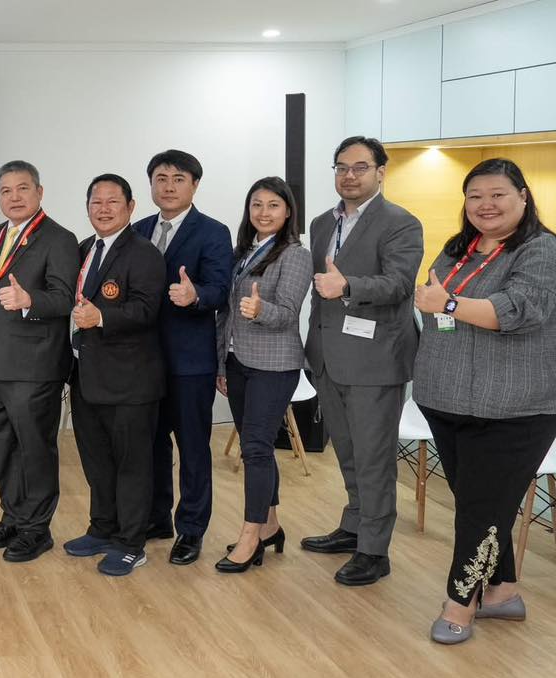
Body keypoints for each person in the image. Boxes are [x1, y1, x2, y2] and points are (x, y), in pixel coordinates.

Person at [412, 158, 556, 643]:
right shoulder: (460, 249)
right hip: (447, 399)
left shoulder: (541, 250)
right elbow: (435, 307)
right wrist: (439, 305)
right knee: (484, 506)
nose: (485, 205)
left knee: (479, 511)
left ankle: (460, 604)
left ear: (522, 197)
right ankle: (503, 593)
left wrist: (449, 304)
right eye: (475, 196)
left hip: (514, 407)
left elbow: (519, 309)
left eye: (497, 194)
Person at [299, 136, 423, 586]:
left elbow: (399, 284)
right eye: (341, 167)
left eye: (360, 167)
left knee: (374, 458)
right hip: (328, 357)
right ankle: (354, 525)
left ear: (380, 172)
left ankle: (374, 550)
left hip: (375, 360)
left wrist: (348, 285)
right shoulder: (321, 223)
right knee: (349, 451)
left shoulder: (400, 223)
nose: (349, 175)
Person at [0, 160, 80, 563]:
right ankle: (14, 516)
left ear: (39, 192)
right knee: (2, 446)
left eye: (22, 189)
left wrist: (29, 299)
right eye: (6, 191)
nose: (14, 197)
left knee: (34, 449)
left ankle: (37, 529)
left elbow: (64, 299)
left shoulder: (59, 238)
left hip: (34, 366)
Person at [61, 174, 166, 577]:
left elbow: (147, 309)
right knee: (97, 461)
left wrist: (101, 317)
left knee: (131, 465)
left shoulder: (143, 253)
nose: (103, 209)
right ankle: (102, 528)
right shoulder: (86, 248)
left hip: (130, 381)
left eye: (112, 202)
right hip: (87, 377)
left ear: (130, 207)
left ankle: (130, 543)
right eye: (96, 202)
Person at [132, 150, 233, 565]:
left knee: (192, 448)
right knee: (151, 444)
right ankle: (157, 518)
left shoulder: (213, 232)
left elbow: (221, 289)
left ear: (194, 185)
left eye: (178, 179)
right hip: (142, 360)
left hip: (190, 362)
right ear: (151, 185)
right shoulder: (138, 230)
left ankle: (191, 528)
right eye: (161, 178)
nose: (169, 186)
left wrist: (195, 296)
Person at [211, 177, 312, 574]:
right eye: (257, 204)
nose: (264, 212)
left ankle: (250, 535)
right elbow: (226, 313)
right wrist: (222, 364)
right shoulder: (243, 252)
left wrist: (260, 310)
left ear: (287, 211)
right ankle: (270, 526)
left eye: (273, 205)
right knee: (259, 448)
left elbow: (287, 313)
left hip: (275, 365)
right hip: (238, 362)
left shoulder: (296, 255)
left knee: (254, 449)